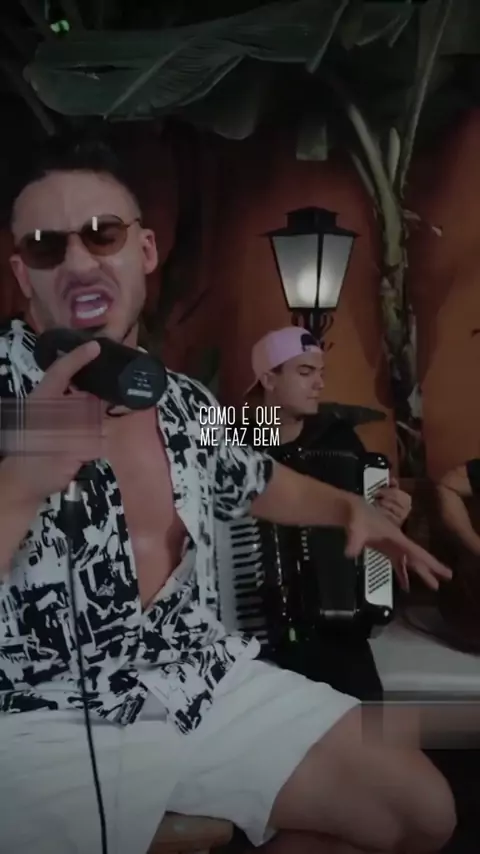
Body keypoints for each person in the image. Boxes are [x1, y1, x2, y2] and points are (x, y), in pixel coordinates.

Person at [0, 134, 455, 854]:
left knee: (420, 811)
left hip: (199, 679)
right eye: (47, 247)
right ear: (23, 274)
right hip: (39, 714)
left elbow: (256, 477)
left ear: (145, 250)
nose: (80, 262)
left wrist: (349, 507)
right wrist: (21, 484)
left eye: (102, 235)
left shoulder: (185, 399)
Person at [240, 327, 412, 702]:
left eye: (320, 373)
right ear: (268, 378)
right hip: (250, 624)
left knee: (366, 716)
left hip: (334, 632)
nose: (319, 384)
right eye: (305, 372)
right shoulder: (233, 435)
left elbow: (368, 526)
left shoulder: (337, 438)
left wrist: (391, 515)